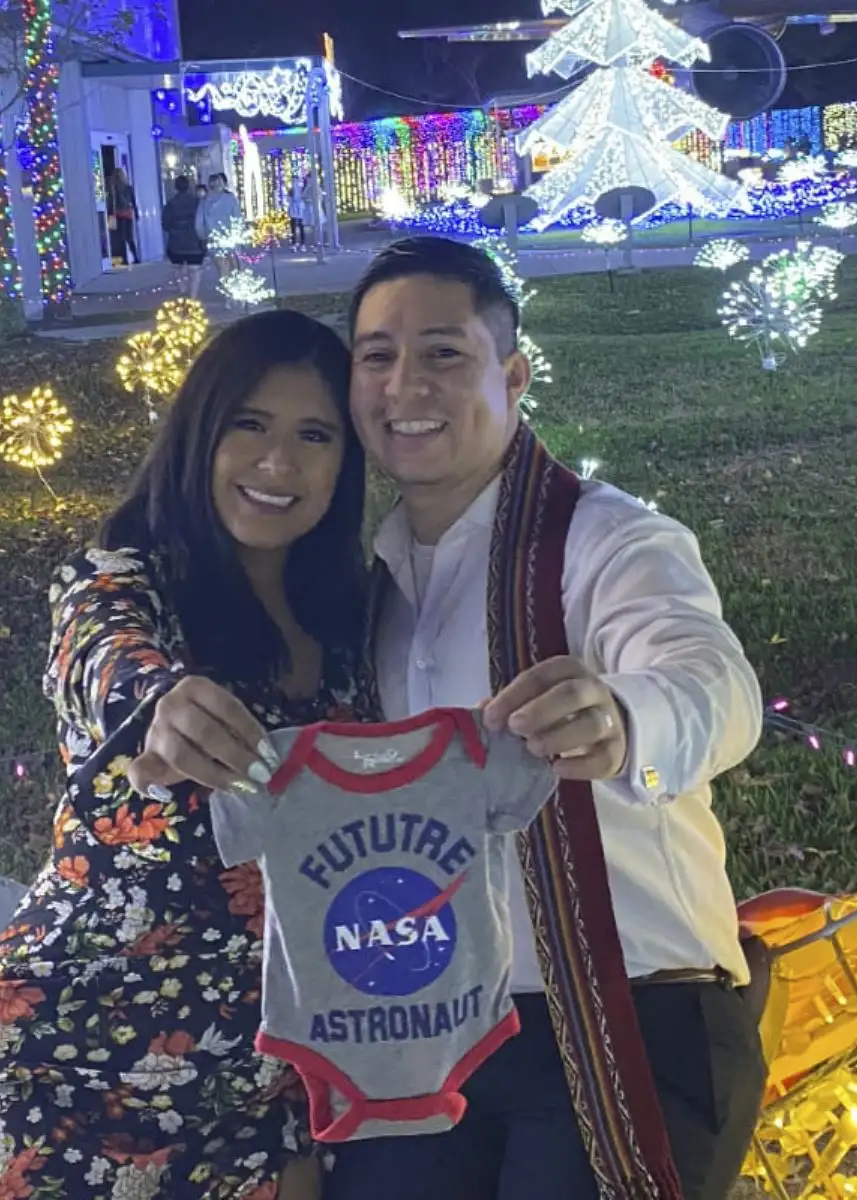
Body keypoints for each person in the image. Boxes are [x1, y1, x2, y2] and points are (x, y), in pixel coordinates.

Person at [324, 236, 766, 1200]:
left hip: (632, 1016)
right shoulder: (375, 585)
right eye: (377, 356)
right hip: (436, 1034)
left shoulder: (607, 539)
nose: (406, 385)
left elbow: (716, 685)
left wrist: (623, 716)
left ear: (514, 375)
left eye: (444, 353)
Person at [0, 310, 373, 1200]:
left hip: (273, 1072)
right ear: (200, 432)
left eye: (314, 435)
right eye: (250, 425)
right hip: (58, 1065)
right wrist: (158, 702)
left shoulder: (354, 618)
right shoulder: (121, 581)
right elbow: (103, 656)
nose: (279, 463)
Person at [198, 173, 245, 294]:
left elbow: (198, 223)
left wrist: (203, 236)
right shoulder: (230, 199)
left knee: (222, 267)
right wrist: (240, 233)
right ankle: (237, 290)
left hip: (215, 238)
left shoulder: (204, 202)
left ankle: (227, 293)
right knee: (235, 265)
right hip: (231, 237)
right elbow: (238, 218)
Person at [162, 174, 206, 298]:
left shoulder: (170, 204)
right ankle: (193, 296)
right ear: (189, 186)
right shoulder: (197, 203)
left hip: (176, 243)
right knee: (194, 271)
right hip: (194, 242)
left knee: (177, 268)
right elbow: (202, 221)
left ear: (175, 187)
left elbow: (165, 224)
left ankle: (182, 288)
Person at [109, 167, 141, 266]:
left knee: (121, 238)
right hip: (126, 214)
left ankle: (125, 259)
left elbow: (112, 203)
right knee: (128, 237)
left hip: (119, 214)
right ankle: (134, 257)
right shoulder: (127, 188)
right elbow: (133, 201)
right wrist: (136, 213)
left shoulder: (114, 188)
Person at [288, 172, 312, 249]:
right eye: (293, 180)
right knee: (293, 227)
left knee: (301, 226)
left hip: (300, 209)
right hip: (293, 209)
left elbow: (303, 197)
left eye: (295, 180)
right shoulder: (291, 190)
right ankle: (294, 243)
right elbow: (289, 200)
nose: (294, 182)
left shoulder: (301, 189)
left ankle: (302, 243)